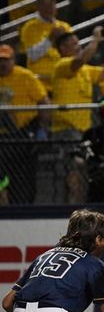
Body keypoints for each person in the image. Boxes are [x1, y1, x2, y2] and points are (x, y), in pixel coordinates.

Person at [0, 43, 49, 204]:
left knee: (23, 175)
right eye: (0, 60)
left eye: (6, 60)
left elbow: (43, 101)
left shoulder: (25, 76)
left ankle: (24, 206)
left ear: (13, 60)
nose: (3, 63)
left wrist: (41, 128)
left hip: (22, 132)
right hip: (2, 137)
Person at [19, 0, 72, 90]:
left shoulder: (64, 26)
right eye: (44, 4)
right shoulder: (29, 27)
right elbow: (32, 55)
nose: (48, 8)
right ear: (38, 7)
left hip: (61, 83)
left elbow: (72, 54)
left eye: (51, 4)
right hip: (39, 84)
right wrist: (50, 39)